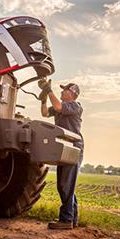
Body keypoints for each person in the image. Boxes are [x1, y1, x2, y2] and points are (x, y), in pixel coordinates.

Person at [38, 80, 84, 230]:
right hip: (63, 146)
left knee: (65, 185)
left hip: (74, 147)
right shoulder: (61, 106)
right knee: (65, 185)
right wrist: (44, 97)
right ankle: (72, 218)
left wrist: (48, 89)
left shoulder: (75, 106)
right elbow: (45, 113)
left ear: (73, 94)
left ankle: (66, 220)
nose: (62, 92)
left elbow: (58, 106)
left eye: (65, 90)